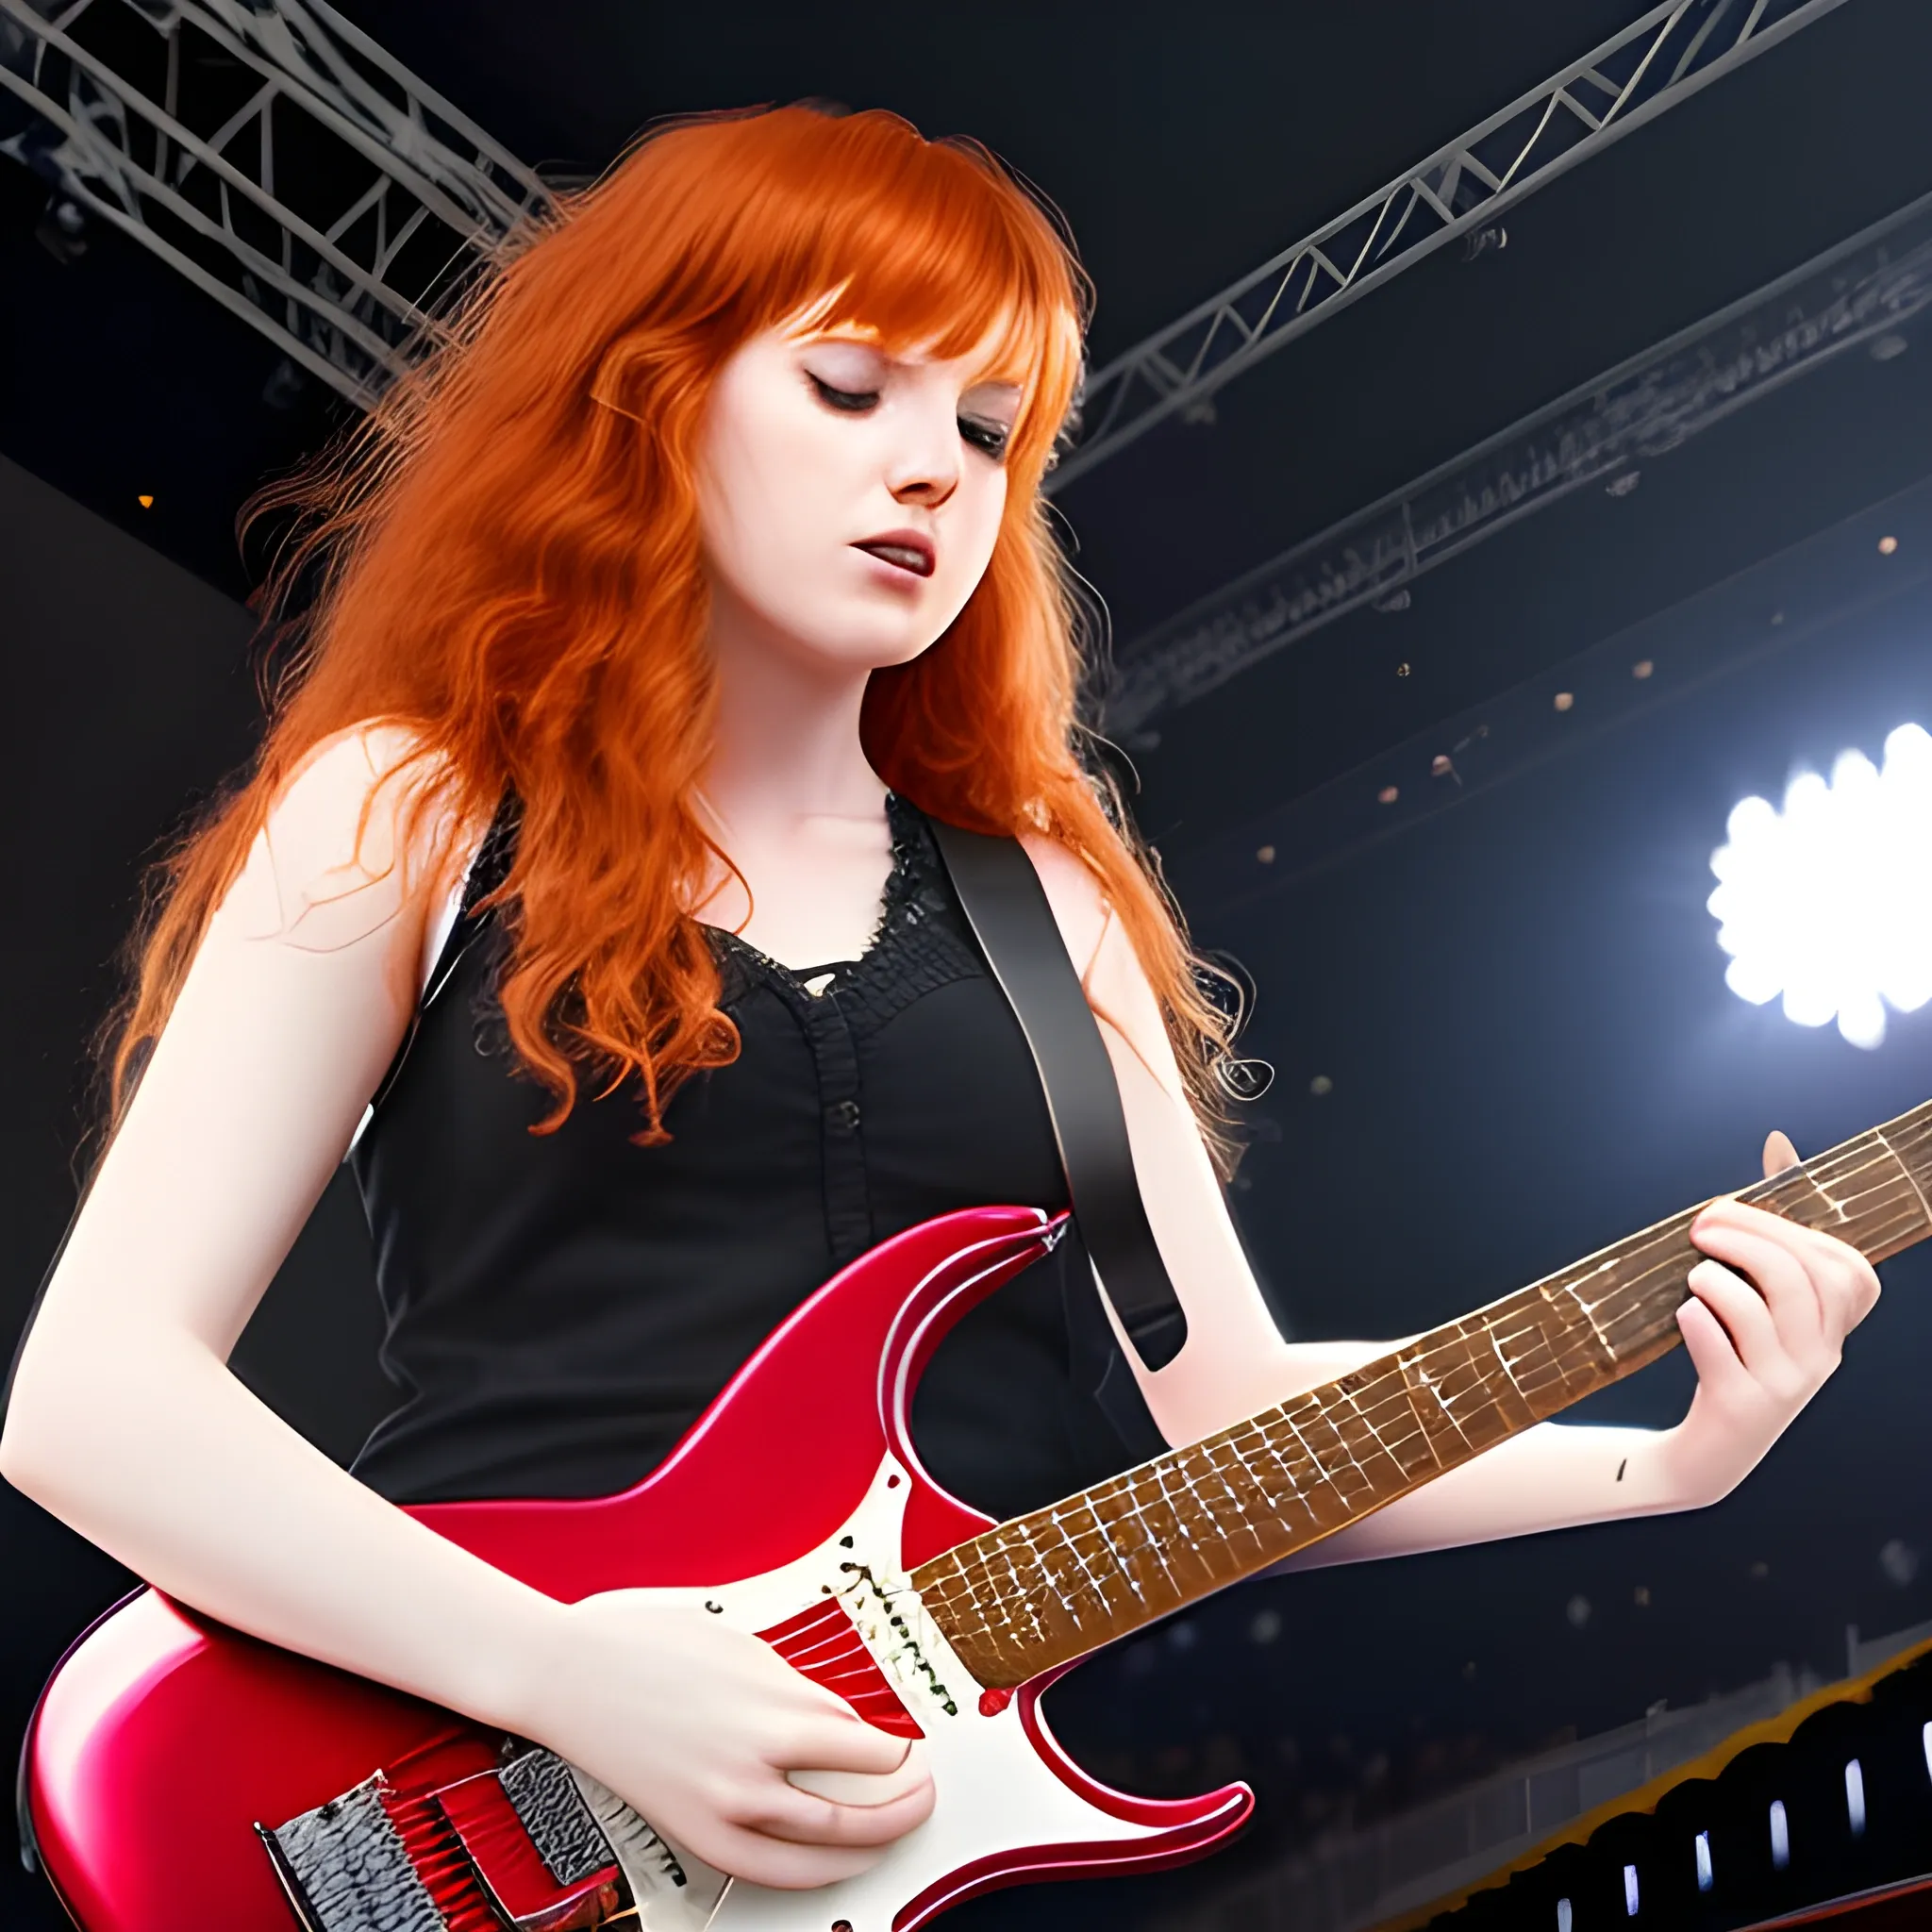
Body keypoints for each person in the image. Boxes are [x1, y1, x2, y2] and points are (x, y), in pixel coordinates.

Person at [0, 104, 1881, 1896]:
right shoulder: (417, 805)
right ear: (651, 400)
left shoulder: (1038, 904)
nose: (929, 468)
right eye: (847, 386)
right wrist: (559, 1678)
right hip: (463, 1794)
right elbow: (93, 1401)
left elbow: (1221, 1409)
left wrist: (1659, 1459)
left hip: (898, 1850)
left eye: (986, 430)